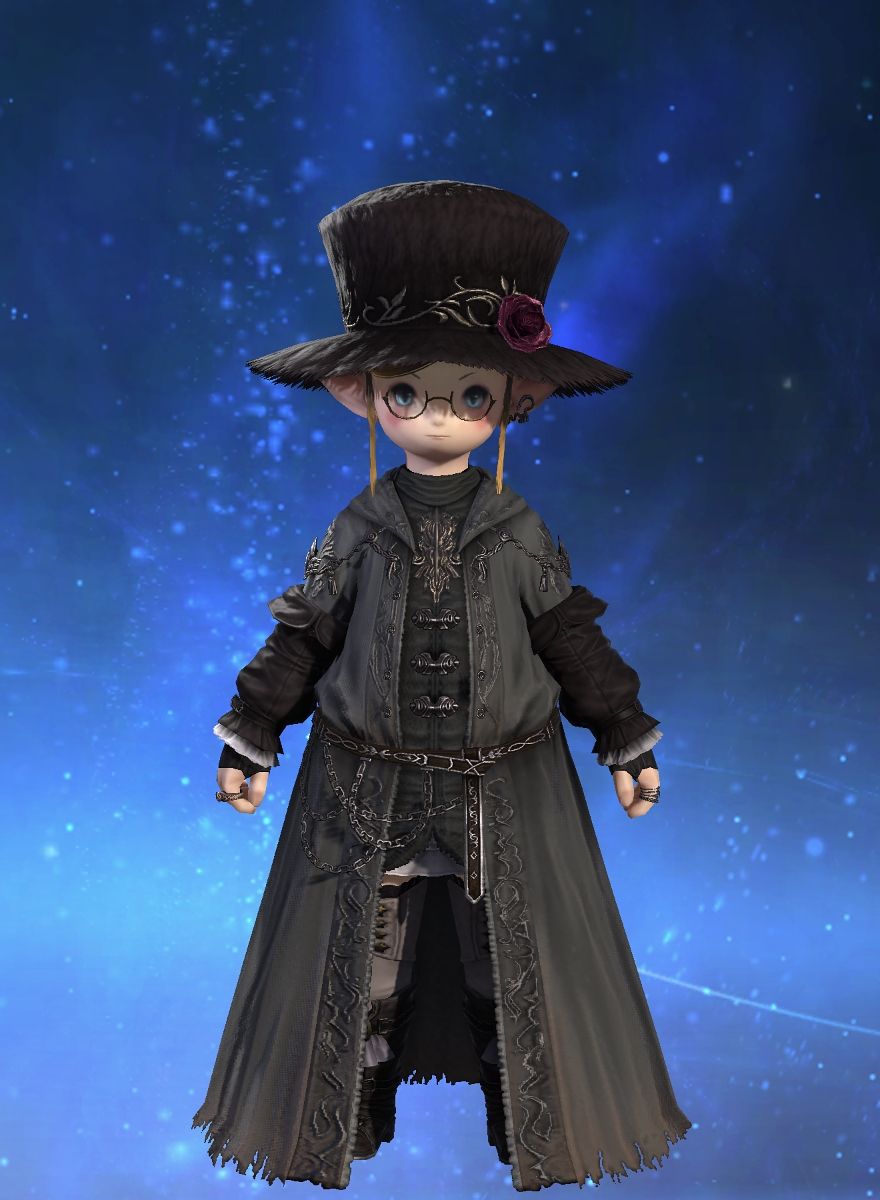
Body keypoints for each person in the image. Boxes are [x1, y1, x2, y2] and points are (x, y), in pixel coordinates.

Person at [192, 180, 692, 1191]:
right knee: (364, 967)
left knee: (500, 962)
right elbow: (307, 633)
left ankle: (522, 1127)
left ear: (513, 400)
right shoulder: (360, 528)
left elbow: (566, 634)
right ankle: (350, 1122)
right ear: (364, 394)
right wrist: (252, 731)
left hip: (502, 789)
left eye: (469, 396)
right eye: (408, 394)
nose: (438, 416)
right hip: (364, 787)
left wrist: (623, 734)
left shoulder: (515, 532)